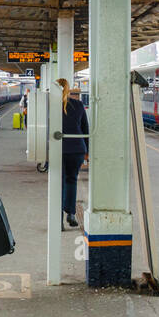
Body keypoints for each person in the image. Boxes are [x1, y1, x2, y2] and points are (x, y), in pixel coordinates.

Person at [57, 78, 89, 230]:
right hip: (77, 148)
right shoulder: (78, 104)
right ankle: (70, 213)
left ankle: (59, 221)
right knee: (71, 180)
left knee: (58, 183)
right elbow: (85, 130)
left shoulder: (52, 105)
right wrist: (87, 152)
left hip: (59, 149)